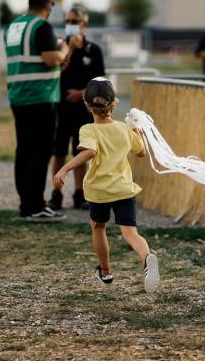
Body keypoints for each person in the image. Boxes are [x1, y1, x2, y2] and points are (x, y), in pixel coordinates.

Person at [53, 78, 160, 291]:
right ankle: (147, 257)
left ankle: (105, 270)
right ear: (115, 102)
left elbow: (90, 151)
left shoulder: (88, 130)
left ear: (86, 104)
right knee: (130, 233)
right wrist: (136, 131)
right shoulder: (124, 129)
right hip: (123, 189)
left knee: (98, 227)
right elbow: (141, 152)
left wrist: (64, 168)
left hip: (99, 191)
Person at [5, 0, 71, 222]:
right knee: (41, 152)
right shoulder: (41, 26)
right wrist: (65, 48)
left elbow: (29, 58)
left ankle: (26, 204)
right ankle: (36, 206)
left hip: (18, 95)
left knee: (24, 151)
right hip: (40, 96)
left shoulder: (14, 26)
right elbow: (51, 59)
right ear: (48, 4)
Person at [48, 6, 106, 211]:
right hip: (60, 107)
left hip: (83, 108)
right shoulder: (60, 46)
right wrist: (70, 48)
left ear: (84, 24)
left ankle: (79, 193)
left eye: (74, 21)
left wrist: (81, 93)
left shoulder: (93, 50)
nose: (70, 25)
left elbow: (99, 81)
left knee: (80, 151)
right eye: (68, 21)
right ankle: (56, 193)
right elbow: (55, 70)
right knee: (58, 151)